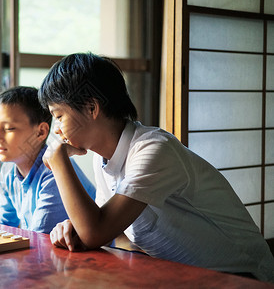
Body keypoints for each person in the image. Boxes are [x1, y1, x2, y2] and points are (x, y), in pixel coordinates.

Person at [38, 52, 274, 282]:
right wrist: (73, 227)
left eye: (59, 116)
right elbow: (102, 226)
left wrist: (59, 161)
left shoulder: (153, 149)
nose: (56, 129)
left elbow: (95, 232)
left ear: (92, 108)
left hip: (242, 277)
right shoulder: (102, 159)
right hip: (181, 275)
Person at [0, 86, 95, 234]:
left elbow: (39, 236)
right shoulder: (8, 170)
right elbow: (3, 221)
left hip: (83, 255)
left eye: (9, 128)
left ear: (41, 132)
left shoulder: (54, 171)